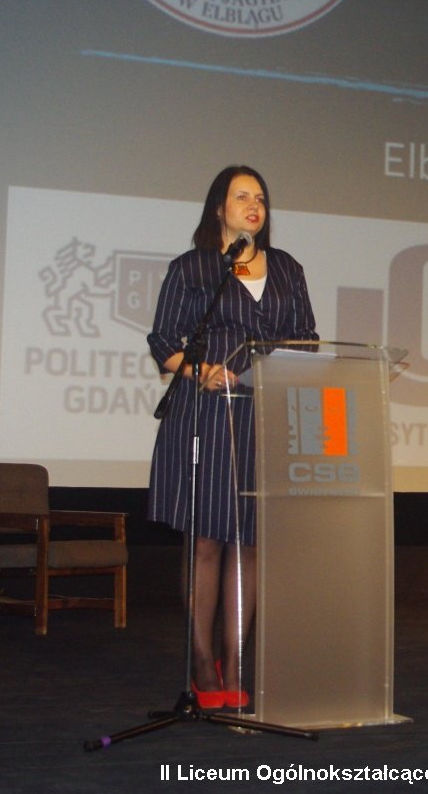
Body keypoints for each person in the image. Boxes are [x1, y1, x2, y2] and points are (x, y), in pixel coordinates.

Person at [147, 164, 317, 709]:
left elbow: (308, 339)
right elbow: (164, 341)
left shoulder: (287, 268)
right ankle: (202, 664)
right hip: (205, 414)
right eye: (242, 196)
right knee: (206, 541)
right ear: (219, 208)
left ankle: (237, 660)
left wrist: (283, 366)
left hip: (262, 416)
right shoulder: (195, 268)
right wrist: (200, 370)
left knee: (249, 540)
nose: (254, 205)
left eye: (260, 197)